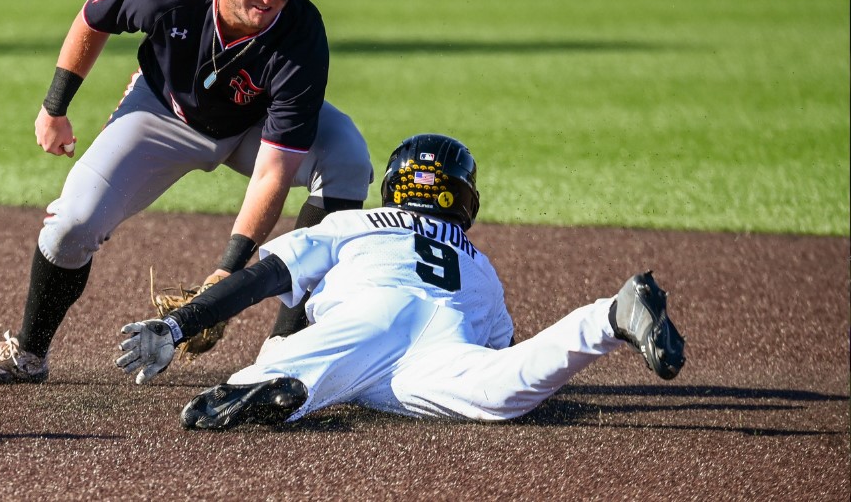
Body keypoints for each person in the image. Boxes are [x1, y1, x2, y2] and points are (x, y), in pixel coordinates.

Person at [0, 0, 373, 383]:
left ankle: (289, 355)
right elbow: (94, 16)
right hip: (164, 113)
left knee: (347, 160)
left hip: (255, 128)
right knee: (72, 224)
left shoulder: (301, 35)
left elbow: (273, 171)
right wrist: (55, 108)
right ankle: (28, 354)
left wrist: (227, 273)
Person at [115, 134, 687, 430]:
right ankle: (608, 318)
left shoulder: (353, 221)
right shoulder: (479, 262)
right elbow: (502, 345)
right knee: (500, 389)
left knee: (262, 381)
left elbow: (264, 277)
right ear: (464, 199)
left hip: (368, 317)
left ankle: (277, 382)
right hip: (446, 334)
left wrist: (179, 323)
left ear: (393, 187)